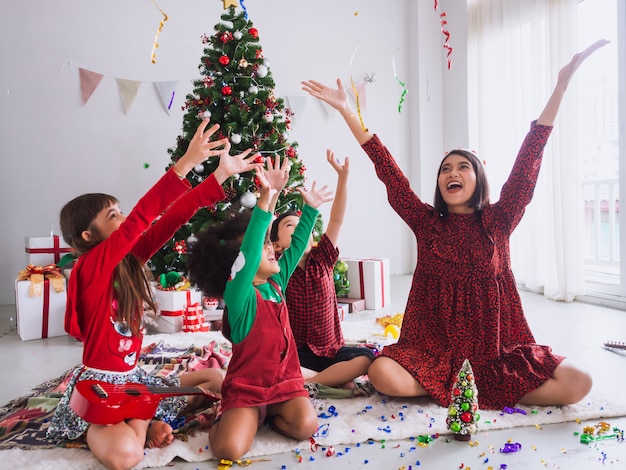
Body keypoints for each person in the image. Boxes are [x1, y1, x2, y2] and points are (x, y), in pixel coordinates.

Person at [301, 39, 609, 410]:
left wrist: (560, 87)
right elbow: (388, 171)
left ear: (478, 178)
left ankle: (473, 390)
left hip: (495, 353)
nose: (453, 172)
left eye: (463, 166)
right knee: (383, 373)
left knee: (579, 382)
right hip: (436, 352)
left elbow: (529, 160)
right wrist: (349, 112)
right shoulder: (425, 222)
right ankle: (469, 390)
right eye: (446, 168)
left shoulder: (499, 219)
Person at [47, 119, 261, 470]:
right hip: (100, 392)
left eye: (121, 211)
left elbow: (170, 218)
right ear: (89, 235)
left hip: (133, 382)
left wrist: (219, 176)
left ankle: (144, 419)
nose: (124, 217)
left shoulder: (127, 263)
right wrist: (185, 164)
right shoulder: (89, 269)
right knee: (126, 455)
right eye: (113, 215)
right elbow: (142, 220)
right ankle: (143, 423)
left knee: (216, 379)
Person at [187, 156, 333, 460]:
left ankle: (264, 416)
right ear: (238, 265)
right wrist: (266, 199)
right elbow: (251, 248)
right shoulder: (240, 295)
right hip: (247, 388)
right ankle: (230, 416)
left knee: (305, 425)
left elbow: (294, 247)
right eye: (263, 246)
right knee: (228, 449)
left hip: (286, 383)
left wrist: (311, 210)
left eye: (270, 244)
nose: (270, 247)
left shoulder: (277, 282)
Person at [270, 149, 374, 391]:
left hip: (331, 350)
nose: (301, 230)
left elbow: (337, 219)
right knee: (277, 365)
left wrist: (343, 178)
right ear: (276, 245)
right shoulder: (277, 267)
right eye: (290, 225)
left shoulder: (322, 258)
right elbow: (263, 233)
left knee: (366, 359)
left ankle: (313, 382)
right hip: (298, 354)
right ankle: (325, 380)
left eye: (303, 225)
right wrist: (272, 193)